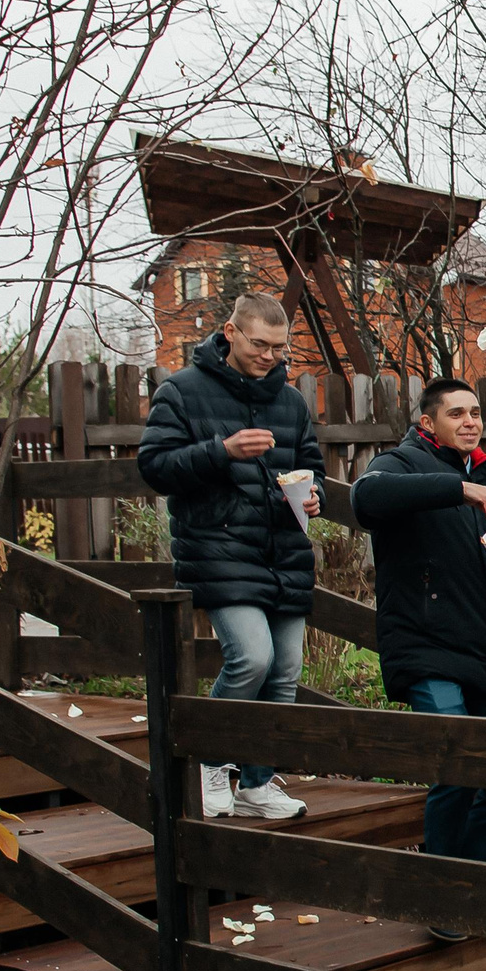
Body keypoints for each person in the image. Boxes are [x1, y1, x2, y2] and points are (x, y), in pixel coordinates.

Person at [353, 378, 486, 940]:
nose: (470, 421)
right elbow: (366, 500)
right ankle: (440, 895)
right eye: (456, 413)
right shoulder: (399, 466)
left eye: (476, 412)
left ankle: (467, 881)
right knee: (455, 762)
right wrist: (455, 488)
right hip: (427, 647)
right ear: (428, 421)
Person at [136, 292, 324, 821]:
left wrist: (316, 496)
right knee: (252, 657)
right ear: (231, 332)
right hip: (217, 548)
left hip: (284, 549)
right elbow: (154, 467)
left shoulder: (289, 400)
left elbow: (312, 464)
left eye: (279, 348)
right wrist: (221, 451)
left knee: (285, 671)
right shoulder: (182, 390)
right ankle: (209, 764)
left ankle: (258, 784)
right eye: (260, 344)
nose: (270, 356)